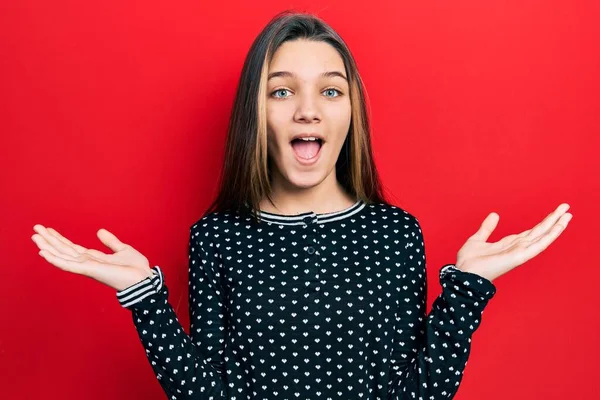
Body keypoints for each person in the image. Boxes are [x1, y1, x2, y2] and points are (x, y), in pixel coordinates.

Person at [31, 10, 572, 400]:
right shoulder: (217, 238)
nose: (308, 111)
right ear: (255, 112)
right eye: (282, 91)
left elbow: (420, 393)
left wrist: (467, 290)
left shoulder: (397, 234)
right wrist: (142, 297)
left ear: (351, 113)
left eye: (331, 92)